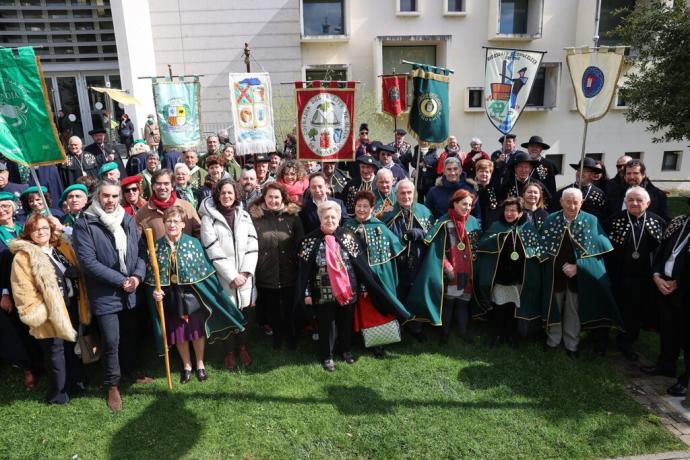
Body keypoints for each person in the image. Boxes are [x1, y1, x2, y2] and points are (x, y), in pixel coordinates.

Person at [296, 201, 409, 371]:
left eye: (333, 217)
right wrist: (306, 293)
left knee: (346, 323)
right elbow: (303, 273)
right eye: (326, 217)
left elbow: (360, 266)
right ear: (320, 219)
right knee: (327, 325)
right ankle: (327, 356)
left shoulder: (348, 237)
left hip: (349, 290)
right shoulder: (309, 241)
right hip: (323, 291)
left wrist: (364, 288)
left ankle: (346, 351)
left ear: (339, 218)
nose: (330, 220)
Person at [149, 206, 246, 384]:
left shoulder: (193, 243)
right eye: (168, 221)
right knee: (178, 333)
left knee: (195, 331)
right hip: (171, 297)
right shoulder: (157, 247)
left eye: (176, 221)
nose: (172, 224)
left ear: (183, 224)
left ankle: (200, 364)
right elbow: (152, 277)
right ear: (164, 224)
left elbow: (204, 272)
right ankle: (187, 366)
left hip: (193, 295)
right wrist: (156, 290)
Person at [73, 181, 147, 411]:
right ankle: (112, 384)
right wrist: (120, 281)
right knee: (111, 340)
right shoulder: (85, 223)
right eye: (106, 196)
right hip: (105, 292)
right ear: (97, 196)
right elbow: (88, 262)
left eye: (115, 196)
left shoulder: (126, 219)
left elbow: (142, 252)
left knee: (130, 334)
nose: (111, 200)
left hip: (130, 289)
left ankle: (130, 371)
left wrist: (137, 277)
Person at [10, 213, 88, 404]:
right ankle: (58, 395)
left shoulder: (59, 248)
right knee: (55, 352)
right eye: (36, 229)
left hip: (71, 305)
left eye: (45, 228)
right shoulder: (24, 257)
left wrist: (75, 273)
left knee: (72, 347)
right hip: (49, 312)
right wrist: (39, 311)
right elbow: (23, 289)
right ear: (28, 233)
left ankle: (76, 385)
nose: (41, 232)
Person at [541, 188, 621, 357]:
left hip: (578, 276)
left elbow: (598, 252)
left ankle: (572, 345)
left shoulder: (591, 220)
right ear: (561, 202)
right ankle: (553, 341)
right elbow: (543, 247)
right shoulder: (551, 219)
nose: (572, 206)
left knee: (573, 309)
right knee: (554, 306)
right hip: (555, 273)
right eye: (568, 201)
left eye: (576, 202)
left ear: (581, 203)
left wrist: (578, 266)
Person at [198, 179, 258, 369]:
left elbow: (253, 244)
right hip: (225, 278)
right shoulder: (209, 219)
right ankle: (229, 352)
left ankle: (243, 347)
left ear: (236, 194)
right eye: (223, 193)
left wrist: (246, 272)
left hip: (245, 276)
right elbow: (212, 249)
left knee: (245, 313)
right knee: (228, 315)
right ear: (217, 195)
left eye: (230, 193)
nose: (226, 196)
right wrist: (232, 276)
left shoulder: (244, 215)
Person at [408, 189, 481, 343]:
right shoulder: (444, 222)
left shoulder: (473, 221)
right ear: (455, 203)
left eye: (470, 205)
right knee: (449, 303)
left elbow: (476, 247)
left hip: (467, 270)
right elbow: (435, 248)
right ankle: (445, 334)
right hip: (452, 270)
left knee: (463, 303)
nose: (467, 208)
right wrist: (447, 266)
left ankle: (463, 332)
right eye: (464, 204)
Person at [345, 190, 412, 357]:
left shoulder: (379, 227)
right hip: (353, 275)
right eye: (358, 206)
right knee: (355, 307)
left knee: (375, 307)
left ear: (372, 208)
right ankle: (356, 337)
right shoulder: (347, 226)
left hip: (374, 277)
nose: (361, 209)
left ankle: (378, 342)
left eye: (365, 206)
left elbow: (394, 246)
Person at [605, 186, 665, 362]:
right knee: (612, 307)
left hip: (642, 278)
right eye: (630, 200)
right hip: (617, 274)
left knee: (634, 312)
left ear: (648, 203)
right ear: (625, 202)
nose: (635, 203)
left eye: (639, 200)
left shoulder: (657, 222)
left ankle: (627, 342)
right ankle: (602, 339)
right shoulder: (614, 221)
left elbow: (662, 251)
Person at [475, 198, 543, 346]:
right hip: (500, 275)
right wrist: (499, 238)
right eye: (507, 210)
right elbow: (483, 244)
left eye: (513, 210)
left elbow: (537, 248)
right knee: (500, 306)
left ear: (520, 213)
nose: (509, 213)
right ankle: (498, 334)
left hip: (519, 276)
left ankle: (512, 334)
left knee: (514, 307)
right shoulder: (496, 226)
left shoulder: (527, 228)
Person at [640, 201, 690, 394]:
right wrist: (656, 276)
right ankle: (666, 365)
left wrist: (679, 282)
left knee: (687, 335)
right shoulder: (679, 223)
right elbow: (661, 253)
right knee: (668, 329)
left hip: (685, 289)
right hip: (664, 283)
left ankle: (686, 379)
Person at [249, 182, 304, 350]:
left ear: (283, 198)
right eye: (270, 197)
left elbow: (300, 241)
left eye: (277, 197)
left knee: (289, 306)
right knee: (272, 309)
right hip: (265, 270)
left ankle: (291, 335)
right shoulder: (254, 217)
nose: (273, 200)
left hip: (289, 270)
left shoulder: (292, 216)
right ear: (264, 198)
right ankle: (277, 336)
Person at [380, 179, 434, 341]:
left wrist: (419, 233)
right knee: (398, 295)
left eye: (409, 192)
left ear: (414, 193)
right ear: (396, 195)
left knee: (415, 294)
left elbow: (433, 235)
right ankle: (398, 326)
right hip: (396, 263)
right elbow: (381, 236)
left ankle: (416, 327)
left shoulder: (424, 211)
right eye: (402, 193)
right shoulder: (387, 212)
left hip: (418, 262)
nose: (406, 196)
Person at [0, 192, 40, 390]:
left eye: (6, 206)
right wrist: (4, 293)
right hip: (10, 289)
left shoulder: (23, 227)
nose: (3, 210)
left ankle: (44, 363)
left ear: (13, 208)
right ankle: (28, 368)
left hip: (33, 286)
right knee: (19, 329)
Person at [135, 169, 200, 240]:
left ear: (172, 186)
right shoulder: (142, 213)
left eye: (166, 184)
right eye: (158, 184)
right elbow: (138, 241)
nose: (162, 187)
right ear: (153, 186)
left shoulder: (187, 207)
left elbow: (199, 232)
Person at [521, 135, 559, 200]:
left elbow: (551, 186)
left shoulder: (549, 164)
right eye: (532, 146)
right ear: (528, 148)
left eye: (537, 147)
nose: (534, 149)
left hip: (541, 200)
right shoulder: (521, 163)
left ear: (541, 149)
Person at [469, 159, 500, 231]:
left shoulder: (496, 190)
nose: (484, 174)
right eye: (481, 171)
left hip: (492, 228)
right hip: (474, 227)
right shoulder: (471, 189)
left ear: (491, 174)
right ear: (476, 173)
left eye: (487, 172)